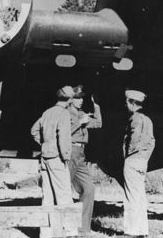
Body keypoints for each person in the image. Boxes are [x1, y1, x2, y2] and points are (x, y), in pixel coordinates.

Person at [30, 85, 74, 237]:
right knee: (64, 195)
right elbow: (64, 137)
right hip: (57, 158)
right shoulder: (64, 114)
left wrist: (44, 144)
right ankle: (69, 231)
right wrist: (65, 155)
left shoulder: (47, 112)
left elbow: (34, 130)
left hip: (45, 157)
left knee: (47, 197)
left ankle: (46, 233)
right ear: (69, 99)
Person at [68, 85, 103, 235]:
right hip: (69, 152)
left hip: (81, 154)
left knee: (89, 189)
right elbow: (61, 133)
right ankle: (60, 226)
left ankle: (83, 229)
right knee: (62, 190)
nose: (81, 101)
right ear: (70, 100)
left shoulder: (81, 113)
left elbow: (98, 123)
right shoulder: (64, 113)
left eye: (82, 98)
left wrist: (96, 106)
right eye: (77, 98)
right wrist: (79, 123)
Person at [122, 89, 155, 237]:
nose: (126, 104)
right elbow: (152, 141)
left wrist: (128, 155)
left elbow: (133, 138)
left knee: (131, 197)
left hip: (133, 160)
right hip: (142, 160)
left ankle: (131, 231)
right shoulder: (147, 119)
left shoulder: (135, 118)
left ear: (133, 103)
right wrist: (145, 156)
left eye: (127, 102)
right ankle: (142, 230)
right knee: (140, 197)